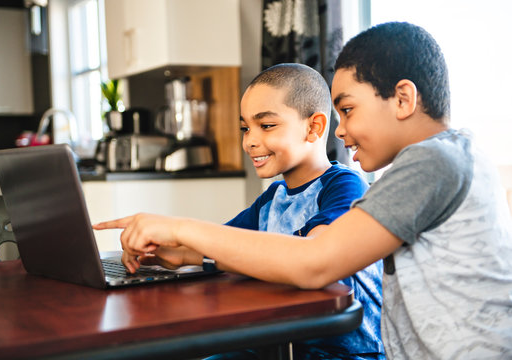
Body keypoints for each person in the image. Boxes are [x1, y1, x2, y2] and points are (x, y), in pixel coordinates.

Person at [94, 22, 512, 359]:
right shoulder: (453, 155)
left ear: (402, 99)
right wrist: (172, 245)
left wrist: (182, 227)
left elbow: (315, 262)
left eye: (347, 109)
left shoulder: (431, 162)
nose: (341, 129)